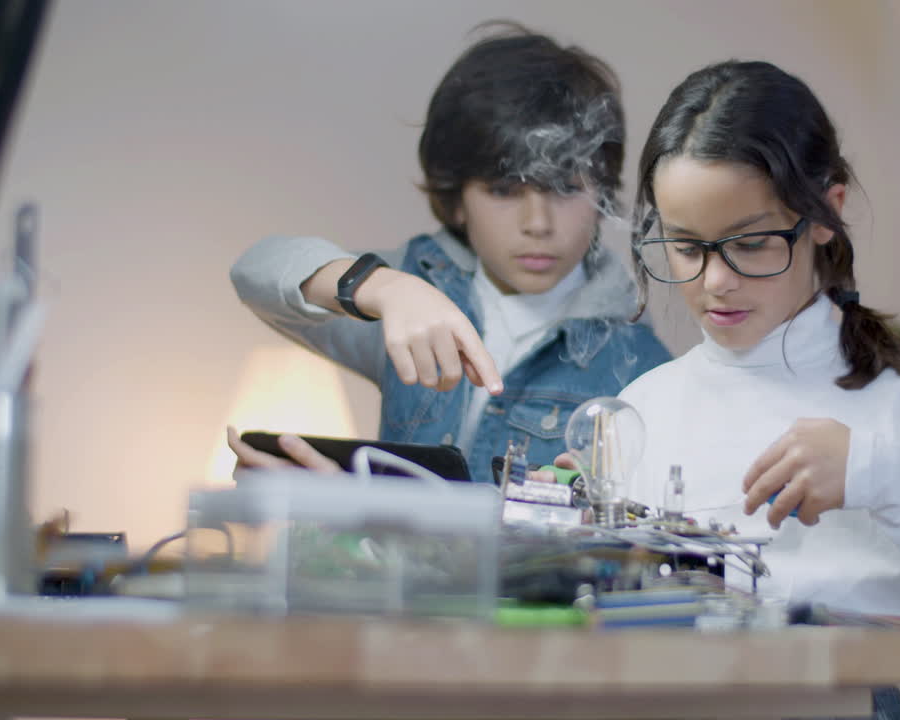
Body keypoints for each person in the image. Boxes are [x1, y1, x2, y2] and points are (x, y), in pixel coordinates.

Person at [611, 61, 900, 718]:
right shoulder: (645, 407)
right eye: (685, 246)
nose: (714, 283)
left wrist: (877, 472)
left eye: (751, 244)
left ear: (826, 213)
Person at [226, 24, 671, 484]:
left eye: (564, 188)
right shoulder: (421, 285)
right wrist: (384, 288)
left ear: (601, 195)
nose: (537, 223)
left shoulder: (641, 366)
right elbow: (256, 269)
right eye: (503, 190)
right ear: (457, 200)